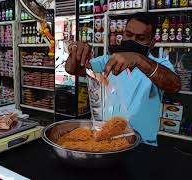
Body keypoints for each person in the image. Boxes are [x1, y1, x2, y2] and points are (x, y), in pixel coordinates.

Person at [65, 12, 181, 146]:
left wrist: (138, 59)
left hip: (142, 145)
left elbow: (175, 85)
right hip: (105, 140)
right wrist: (76, 52)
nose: (132, 41)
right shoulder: (107, 61)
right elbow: (72, 69)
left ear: (152, 43)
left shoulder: (160, 65)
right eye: (129, 35)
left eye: (140, 38)